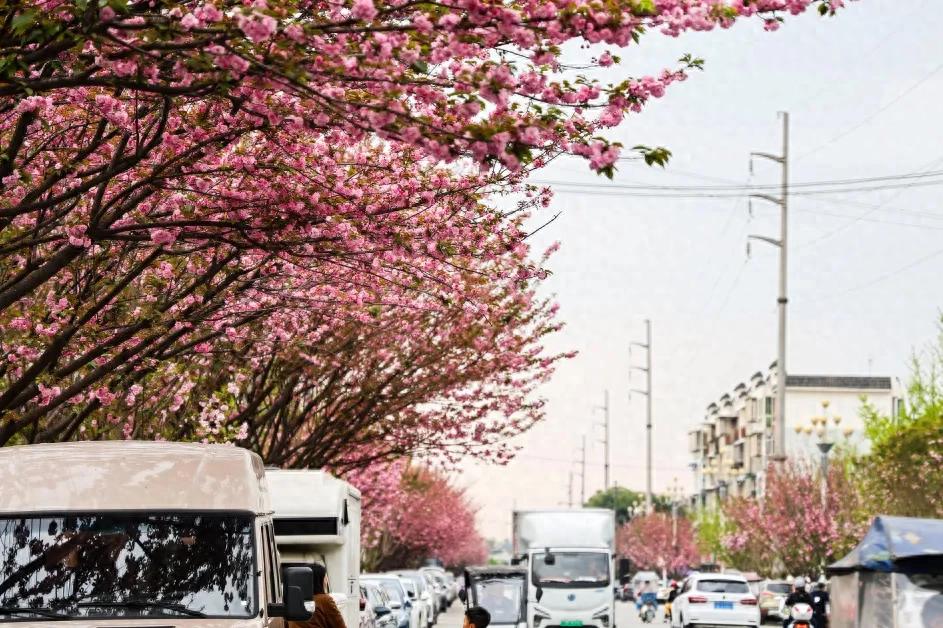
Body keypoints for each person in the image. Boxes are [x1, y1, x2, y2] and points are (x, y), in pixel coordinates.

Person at [290, 563, 347, 628]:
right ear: (319, 580)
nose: (326, 581)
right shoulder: (324, 600)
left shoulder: (292, 602)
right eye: (325, 577)